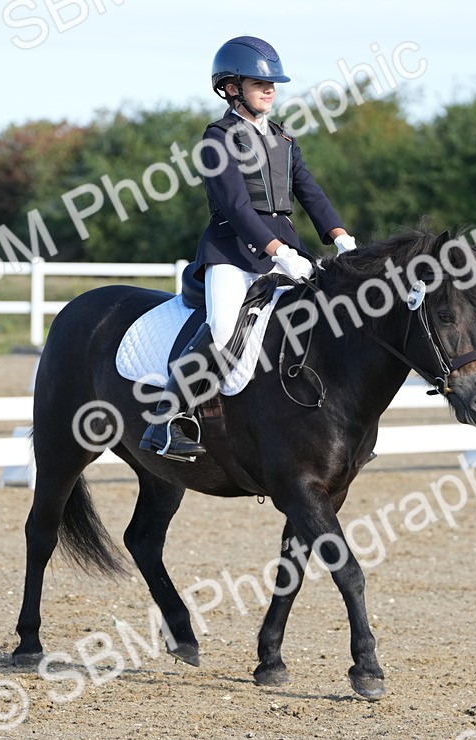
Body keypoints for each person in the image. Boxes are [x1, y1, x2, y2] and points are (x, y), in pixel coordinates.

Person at [139, 35, 358, 461]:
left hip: (288, 250)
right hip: (232, 252)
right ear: (232, 87)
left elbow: (309, 192)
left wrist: (339, 236)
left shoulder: (283, 139)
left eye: (273, 84)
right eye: (261, 84)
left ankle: (336, 423)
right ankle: (165, 421)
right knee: (223, 328)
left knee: (331, 316)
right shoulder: (216, 139)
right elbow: (236, 206)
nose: (271, 90)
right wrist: (277, 250)